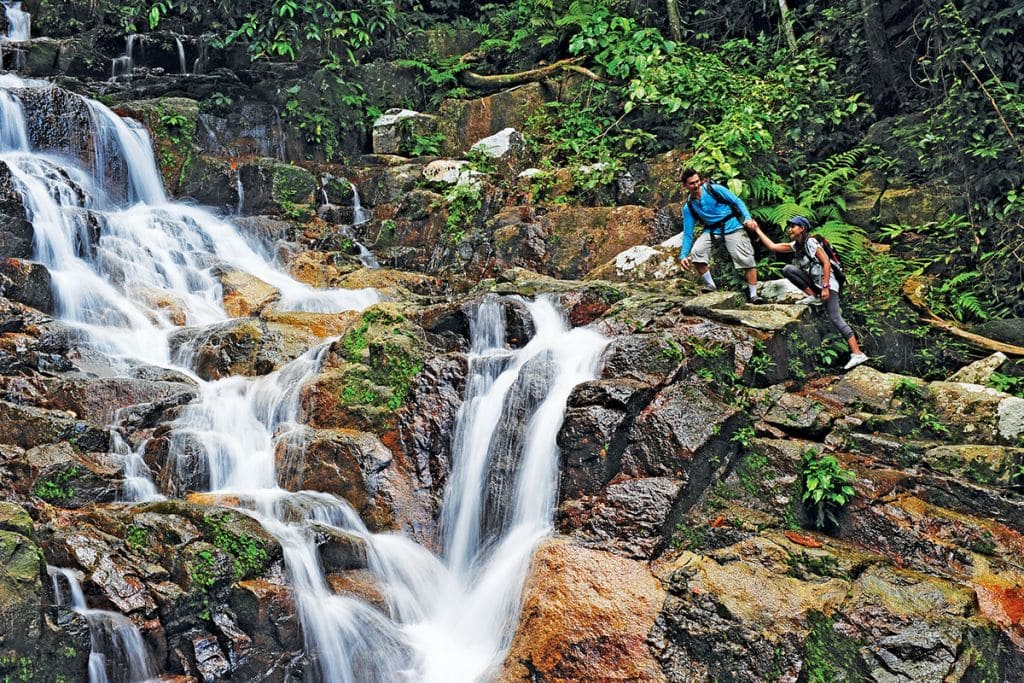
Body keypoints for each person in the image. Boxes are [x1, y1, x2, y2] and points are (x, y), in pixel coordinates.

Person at [747, 216, 869, 370]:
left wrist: (825, 287)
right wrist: (757, 229)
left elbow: (825, 262)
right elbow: (773, 247)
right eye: (789, 226)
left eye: (793, 226)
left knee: (835, 318)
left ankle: (858, 353)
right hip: (816, 285)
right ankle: (813, 296)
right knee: (788, 269)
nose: (790, 229)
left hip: (829, 285)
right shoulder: (797, 245)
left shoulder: (811, 242)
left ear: (802, 228)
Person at [677, 168, 763, 303]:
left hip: (732, 226)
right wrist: (683, 255)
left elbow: (737, 201)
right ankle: (711, 285)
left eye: (697, 181)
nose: (696, 185)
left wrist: (747, 217)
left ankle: (753, 295)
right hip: (711, 231)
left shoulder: (714, 189)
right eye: (692, 183)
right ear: (685, 185)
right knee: (697, 253)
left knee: (746, 260)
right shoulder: (689, 207)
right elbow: (688, 234)